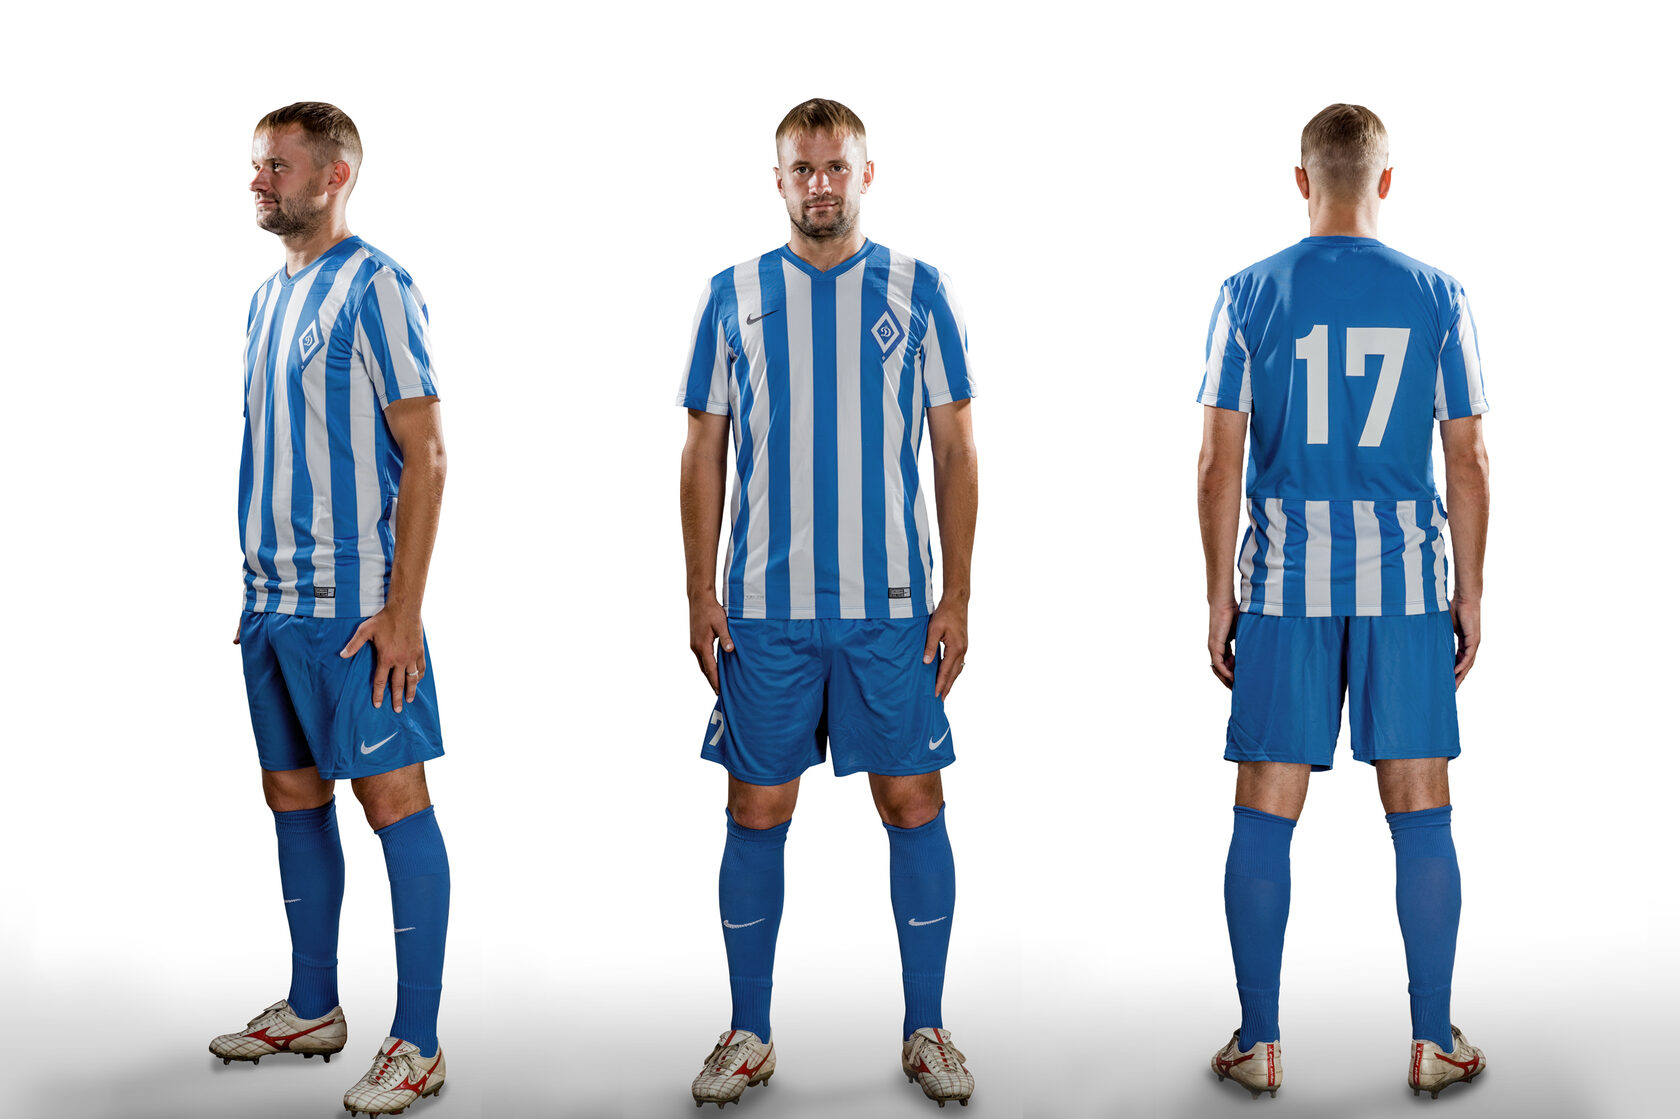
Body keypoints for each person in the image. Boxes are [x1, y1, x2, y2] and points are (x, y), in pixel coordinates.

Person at [677, 98, 980, 1110]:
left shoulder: (919, 290)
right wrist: (699, 588)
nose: (820, 184)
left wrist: (958, 594)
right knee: (756, 806)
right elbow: (703, 447)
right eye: (802, 169)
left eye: (836, 167)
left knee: (913, 801)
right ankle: (748, 1031)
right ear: (778, 181)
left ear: (866, 173)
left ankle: (927, 1027)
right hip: (763, 609)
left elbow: (956, 448)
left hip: (889, 607)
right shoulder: (732, 294)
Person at [1196, 103, 1491, 1101]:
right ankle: (1432, 1040)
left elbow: (1218, 457)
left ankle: (1260, 1041)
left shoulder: (1247, 294)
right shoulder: (1440, 296)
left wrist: (1218, 598)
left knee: (1265, 802)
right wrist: (1471, 593)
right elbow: (1468, 457)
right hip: (1405, 587)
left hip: (1286, 585)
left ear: (1301, 181)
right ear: (1386, 182)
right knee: (1421, 804)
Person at [209, 102, 451, 1119]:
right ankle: (313, 1007)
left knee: (393, 802)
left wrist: (403, 613)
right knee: (292, 796)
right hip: (269, 605)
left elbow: (427, 455)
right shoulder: (267, 298)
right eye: (257, 164)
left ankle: (419, 1042)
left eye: (278, 165)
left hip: (353, 609)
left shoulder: (377, 286)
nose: (259, 180)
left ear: (333, 175)